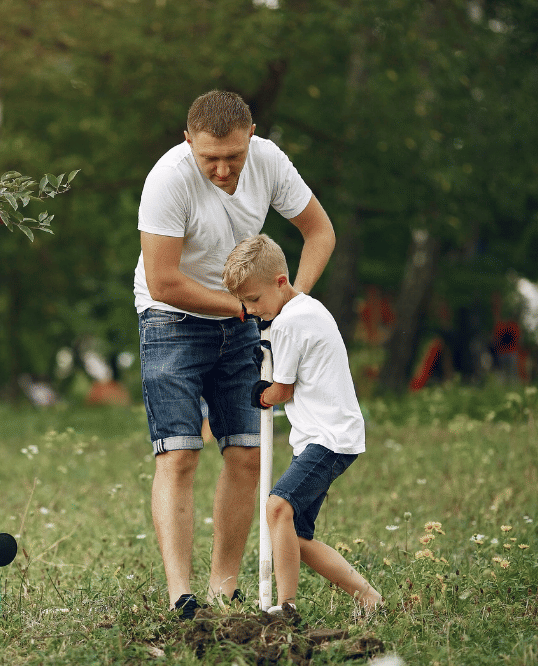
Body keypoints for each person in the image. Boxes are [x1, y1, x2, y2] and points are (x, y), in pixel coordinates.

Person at [134, 90, 336, 619]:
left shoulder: (269, 160)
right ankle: (182, 595)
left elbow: (319, 232)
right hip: (172, 318)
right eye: (210, 159)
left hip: (245, 316)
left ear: (251, 138)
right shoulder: (168, 179)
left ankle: (224, 588)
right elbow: (162, 281)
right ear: (188, 143)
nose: (223, 170)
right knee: (178, 453)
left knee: (247, 454)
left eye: (233, 157)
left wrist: (290, 304)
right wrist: (245, 309)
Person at [222, 234, 382, 619]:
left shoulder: (289, 323)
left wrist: (260, 394)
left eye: (255, 300)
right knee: (295, 537)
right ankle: (369, 598)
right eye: (244, 304)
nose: (252, 311)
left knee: (277, 506)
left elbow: (282, 389)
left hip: (328, 439)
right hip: (332, 436)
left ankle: (287, 606)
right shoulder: (307, 310)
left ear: (281, 281)